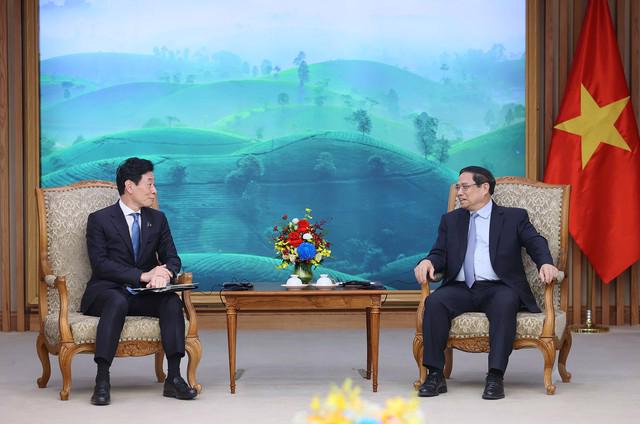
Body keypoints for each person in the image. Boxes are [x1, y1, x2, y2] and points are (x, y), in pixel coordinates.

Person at [414, 166, 558, 400]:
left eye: (465, 187)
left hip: (498, 287)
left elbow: (535, 242)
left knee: (505, 302)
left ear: (484, 188)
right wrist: (428, 261)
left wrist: (545, 263)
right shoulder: (451, 220)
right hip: (460, 288)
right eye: (458, 187)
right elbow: (439, 253)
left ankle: (495, 376)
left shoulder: (513, 217)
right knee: (435, 302)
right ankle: (434, 374)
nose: (459, 192)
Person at [80, 157, 197, 405]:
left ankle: (174, 378)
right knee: (116, 300)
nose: (154, 191)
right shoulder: (99, 219)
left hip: (141, 294)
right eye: (150, 184)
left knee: (171, 303)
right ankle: (102, 379)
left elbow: (172, 258)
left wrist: (165, 273)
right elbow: (100, 264)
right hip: (106, 292)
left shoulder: (158, 219)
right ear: (129, 186)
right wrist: (143, 275)